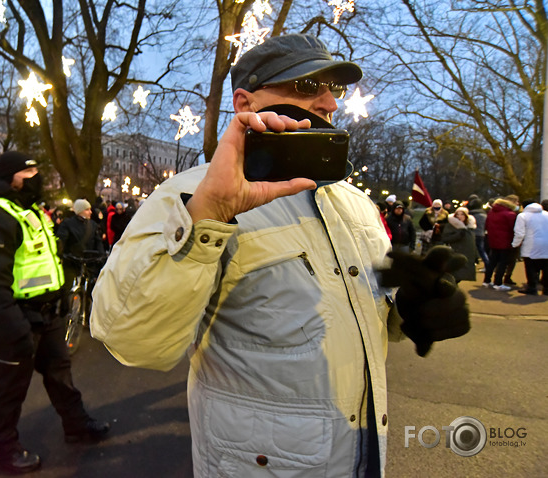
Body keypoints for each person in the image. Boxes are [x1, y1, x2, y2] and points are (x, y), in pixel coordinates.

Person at [91, 34, 469, 477]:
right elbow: (131, 341)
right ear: (243, 101)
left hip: (363, 457)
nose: (329, 102)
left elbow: (364, 315)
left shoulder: (356, 203)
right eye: (308, 87)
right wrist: (208, 215)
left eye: (335, 88)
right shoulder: (188, 195)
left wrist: (412, 310)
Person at [0, 151, 109, 474]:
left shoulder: (31, 212)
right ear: (9, 177)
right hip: (16, 319)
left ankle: (76, 426)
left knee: (61, 375)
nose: (36, 177)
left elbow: (45, 262)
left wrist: (57, 300)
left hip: (47, 315)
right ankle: (4, 449)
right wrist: (10, 324)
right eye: (28, 172)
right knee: (8, 389)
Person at [56, 198, 106, 316]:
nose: (90, 212)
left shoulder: (93, 225)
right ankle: (64, 313)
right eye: (87, 209)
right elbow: (62, 239)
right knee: (66, 288)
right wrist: (61, 253)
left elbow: (98, 241)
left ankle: (88, 313)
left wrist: (101, 255)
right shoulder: (67, 224)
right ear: (80, 211)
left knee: (91, 289)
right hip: (72, 260)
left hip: (88, 261)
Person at [511, 202, 548, 295]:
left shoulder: (522, 216)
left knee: (530, 267)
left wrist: (515, 244)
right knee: (546, 267)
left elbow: (519, 233)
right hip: (546, 244)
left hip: (530, 245)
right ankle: (546, 289)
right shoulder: (546, 214)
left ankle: (532, 287)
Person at [483, 196, 518, 291]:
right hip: (505, 241)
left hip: (493, 240)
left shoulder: (491, 213)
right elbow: (514, 228)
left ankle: (486, 281)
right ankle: (498, 282)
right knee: (503, 263)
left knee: (492, 261)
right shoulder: (510, 214)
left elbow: (486, 225)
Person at [440, 207, 478, 283]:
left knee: (461, 275)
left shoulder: (469, 228)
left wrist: (476, 255)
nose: (460, 216)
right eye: (458, 214)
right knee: (455, 275)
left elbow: (473, 242)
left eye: (462, 215)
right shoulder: (451, 225)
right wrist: (458, 235)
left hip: (467, 254)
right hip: (456, 252)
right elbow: (445, 238)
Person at [467, 195, 489, 266]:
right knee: (482, 250)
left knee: (473, 250)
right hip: (481, 233)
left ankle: (473, 264)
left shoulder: (471, 215)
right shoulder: (484, 214)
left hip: (472, 234)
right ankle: (487, 264)